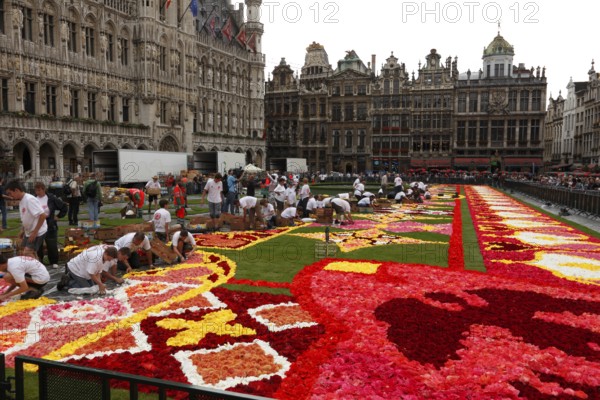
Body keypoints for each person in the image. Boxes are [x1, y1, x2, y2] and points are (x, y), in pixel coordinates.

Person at [5, 180, 48, 259]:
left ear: (16, 190)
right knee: (24, 251)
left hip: (37, 231)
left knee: (27, 253)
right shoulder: (22, 200)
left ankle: (37, 270)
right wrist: (23, 230)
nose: (10, 196)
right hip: (29, 231)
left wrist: (35, 232)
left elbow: (42, 215)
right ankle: (36, 269)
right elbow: (26, 217)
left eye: (10, 193)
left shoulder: (29, 199)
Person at [34, 182, 68, 269]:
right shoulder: (33, 199)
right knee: (38, 244)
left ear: (44, 189)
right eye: (36, 190)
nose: (38, 192)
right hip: (38, 224)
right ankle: (39, 260)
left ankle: (54, 261)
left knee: (51, 243)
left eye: (39, 190)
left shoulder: (51, 198)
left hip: (50, 223)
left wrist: (58, 216)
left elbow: (64, 206)